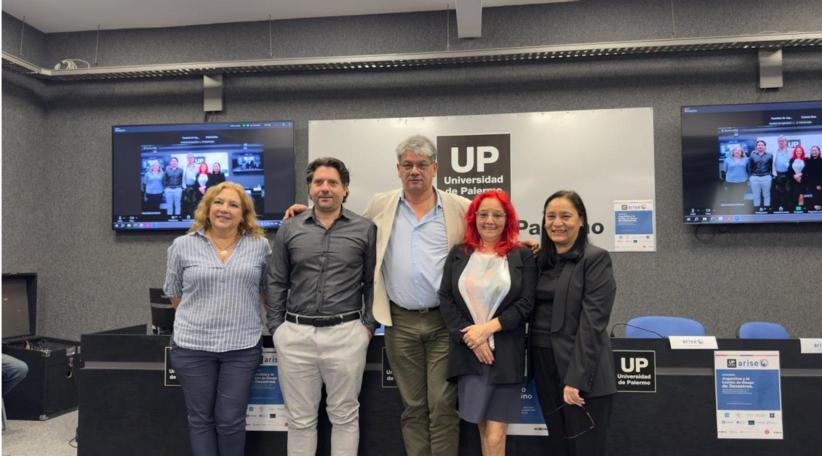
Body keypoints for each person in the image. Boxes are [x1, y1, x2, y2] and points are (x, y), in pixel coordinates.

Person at [266, 157, 377, 456]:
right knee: (300, 421)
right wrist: (277, 329)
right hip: (295, 335)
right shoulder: (290, 228)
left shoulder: (365, 229)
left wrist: (366, 327)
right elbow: (276, 281)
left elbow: (372, 282)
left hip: (346, 334)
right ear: (310, 189)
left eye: (332, 183)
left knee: (344, 417)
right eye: (318, 183)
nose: (325, 188)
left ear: (345, 190)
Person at [164, 181, 271, 456]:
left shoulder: (260, 246)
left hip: (241, 349)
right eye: (219, 203)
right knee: (200, 419)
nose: (225, 209)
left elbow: (266, 292)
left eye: (233, 205)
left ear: (244, 213)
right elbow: (175, 294)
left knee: (231, 420)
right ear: (207, 208)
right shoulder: (182, 245)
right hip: (193, 349)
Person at [438, 190, 536, 456]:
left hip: (505, 355)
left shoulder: (521, 256)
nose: (489, 220)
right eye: (483, 214)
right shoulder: (459, 253)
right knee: (483, 429)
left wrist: (487, 329)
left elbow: (526, 304)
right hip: (470, 356)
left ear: (508, 219)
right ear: (474, 218)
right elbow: (446, 298)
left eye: (497, 214)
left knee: (495, 435)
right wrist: (471, 338)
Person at [531, 190, 617, 456]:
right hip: (544, 363)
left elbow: (593, 323)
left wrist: (576, 380)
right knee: (559, 444)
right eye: (551, 216)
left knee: (584, 448)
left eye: (566, 216)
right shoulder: (539, 260)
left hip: (580, 369)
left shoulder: (595, 259)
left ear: (581, 220)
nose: (557, 223)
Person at [721, 146, 750, 211]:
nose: (737, 151)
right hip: (730, 182)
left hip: (742, 181)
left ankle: (740, 210)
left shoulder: (746, 159)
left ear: (742, 152)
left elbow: (748, 170)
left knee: (741, 198)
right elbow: (724, 171)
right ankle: (732, 210)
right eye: (735, 150)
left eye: (739, 150)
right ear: (733, 152)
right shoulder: (727, 160)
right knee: (731, 197)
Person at [747, 140, 773, 211]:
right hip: (754, 178)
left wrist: (770, 175)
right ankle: (757, 208)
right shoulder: (752, 155)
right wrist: (750, 177)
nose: (760, 146)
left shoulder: (770, 155)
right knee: (756, 195)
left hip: (766, 177)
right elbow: (749, 167)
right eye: (758, 145)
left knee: (766, 194)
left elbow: (772, 166)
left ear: (765, 147)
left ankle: (767, 208)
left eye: (762, 145)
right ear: (756, 147)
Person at [771, 135, 792, 211]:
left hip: (788, 174)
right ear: (777, 142)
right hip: (778, 174)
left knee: (788, 191)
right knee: (779, 192)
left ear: (786, 142)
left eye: (783, 141)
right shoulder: (774, 151)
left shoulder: (791, 151)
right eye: (779, 141)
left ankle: (788, 208)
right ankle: (781, 207)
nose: (781, 142)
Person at [787, 145, 807, 210]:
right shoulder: (791, 160)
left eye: (800, 151)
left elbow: (807, 169)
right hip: (793, 181)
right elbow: (789, 170)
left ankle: (800, 210)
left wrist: (800, 175)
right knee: (794, 195)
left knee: (801, 196)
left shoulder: (806, 159)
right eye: (797, 151)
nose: (798, 152)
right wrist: (794, 176)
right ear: (795, 152)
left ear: (802, 152)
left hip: (802, 181)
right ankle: (795, 210)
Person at [804, 145, 822, 210]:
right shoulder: (808, 161)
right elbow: (805, 173)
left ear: (819, 152)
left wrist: (820, 184)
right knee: (810, 206)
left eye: (815, 150)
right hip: (810, 186)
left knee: (818, 207)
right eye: (812, 150)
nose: (814, 152)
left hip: (819, 186)